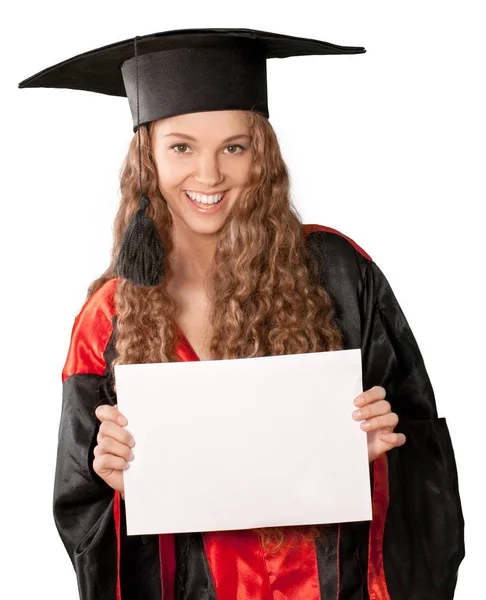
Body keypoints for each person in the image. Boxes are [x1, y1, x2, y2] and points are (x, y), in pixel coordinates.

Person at [19, 28, 465, 600]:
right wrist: (114, 484)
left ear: (263, 157)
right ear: (145, 161)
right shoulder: (108, 320)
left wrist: (375, 456)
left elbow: (424, 466)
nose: (209, 175)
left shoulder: (338, 275)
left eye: (234, 146)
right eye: (181, 147)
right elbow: (82, 514)